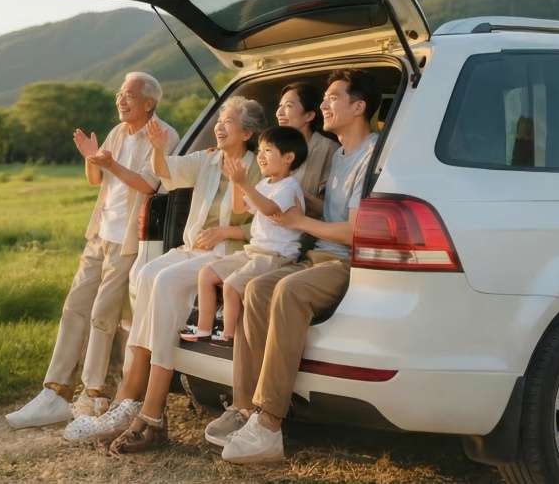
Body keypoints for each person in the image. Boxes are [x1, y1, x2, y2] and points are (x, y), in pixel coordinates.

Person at [60, 96, 265, 446]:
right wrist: (157, 148)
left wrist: (228, 231)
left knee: (166, 280)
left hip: (232, 253)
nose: (218, 125)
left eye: (227, 121)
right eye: (218, 119)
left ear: (246, 133)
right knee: (147, 274)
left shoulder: (257, 166)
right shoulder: (208, 159)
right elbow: (166, 173)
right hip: (193, 249)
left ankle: (146, 409)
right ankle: (131, 402)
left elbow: (270, 223)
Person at [211, 69, 382, 464]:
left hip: (344, 262)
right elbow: (332, 211)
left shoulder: (372, 156)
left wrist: (300, 222)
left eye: (333, 98)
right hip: (318, 254)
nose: (324, 104)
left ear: (359, 107)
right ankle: (244, 409)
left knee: (287, 290)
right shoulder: (340, 156)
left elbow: (357, 231)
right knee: (256, 288)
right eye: (323, 98)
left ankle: (269, 424)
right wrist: (299, 200)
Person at [5, 73, 178, 429]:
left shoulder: (163, 135)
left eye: (128, 95)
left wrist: (110, 163)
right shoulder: (117, 132)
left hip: (128, 239)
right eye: (119, 94)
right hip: (100, 233)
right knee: (74, 306)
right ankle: (55, 392)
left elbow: (149, 185)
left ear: (149, 102)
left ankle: (94, 394)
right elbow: (97, 180)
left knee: (103, 313)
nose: (121, 99)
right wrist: (90, 158)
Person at [191, 126, 309, 352]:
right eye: (261, 150)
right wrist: (236, 182)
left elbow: (269, 209)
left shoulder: (289, 186)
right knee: (207, 273)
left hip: (276, 256)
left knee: (232, 286)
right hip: (254, 251)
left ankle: (228, 337)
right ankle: (203, 331)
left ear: (288, 157)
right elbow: (239, 207)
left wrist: (243, 183)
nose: (261, 156)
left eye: (267, 151)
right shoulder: (265, 184)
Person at [274, 82, 338, 217]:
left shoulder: (329, 150)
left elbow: (333, 208)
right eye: (280, 106)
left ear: (309, 115)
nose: (279, 113)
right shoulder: (272, 149)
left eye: (288, 106)